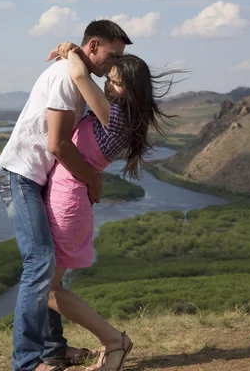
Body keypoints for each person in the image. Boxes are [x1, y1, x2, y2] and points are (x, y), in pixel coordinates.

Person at [0, 20, 132, 371]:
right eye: (113, 57)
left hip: (37, 178)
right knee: (40, 264)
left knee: (48, 267)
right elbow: (57, 145)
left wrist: (70, 49)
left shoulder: (79, 78)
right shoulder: (64, 80)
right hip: (21, 176)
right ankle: (27, 363)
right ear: (95, 46)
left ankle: (53, 349)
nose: (113, 66)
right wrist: (92, 181)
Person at [42, 44, 177, 371]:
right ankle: (106, 344)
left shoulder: (115, 117)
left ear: (131, 91)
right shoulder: (117, 112)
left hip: (70, 201)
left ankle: (115, 340)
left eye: (115, 82)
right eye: (109, 79)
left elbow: (77, 73)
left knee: (45, 289)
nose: (107, 84)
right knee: (45, 286)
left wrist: (69, 49)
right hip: (67, 197)